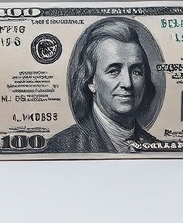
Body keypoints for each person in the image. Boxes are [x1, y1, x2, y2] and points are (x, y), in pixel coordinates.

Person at [46, 18, 162, 154]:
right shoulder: (62, 147)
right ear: (90, 81)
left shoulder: (156, 147)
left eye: (136, 71)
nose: (128, 83)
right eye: (114, 71)